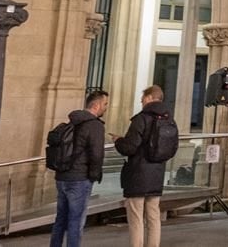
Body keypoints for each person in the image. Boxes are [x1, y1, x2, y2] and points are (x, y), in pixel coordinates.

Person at [114, 85, 171, 247]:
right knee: (154, 217)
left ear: (150, 97)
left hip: (138, 173)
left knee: (136, 218)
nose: (141, 101)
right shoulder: (168, 119)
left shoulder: (142, 118)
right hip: (157, 173)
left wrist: (118, 140)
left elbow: (130, 147)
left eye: (143, 98)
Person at [50, 90, 109, 247]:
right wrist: (94, 176)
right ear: (96, 105)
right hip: (79, 178)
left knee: (60, 219)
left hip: (62, 177)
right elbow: (97, 154)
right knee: (76, 222)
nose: (106, 108)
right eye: (105, 104)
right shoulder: (94, 125)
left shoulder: (73, 121)